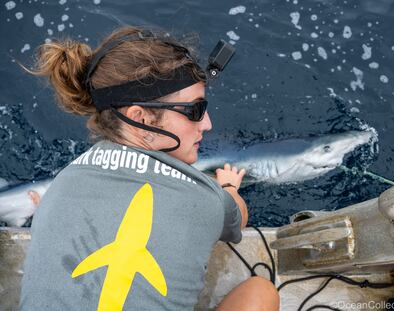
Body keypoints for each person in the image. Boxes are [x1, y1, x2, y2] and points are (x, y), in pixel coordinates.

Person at [20, 26, 279, 311]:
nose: (207, 124)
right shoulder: (205, 198)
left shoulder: (60, 185)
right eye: (194, 110)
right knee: (261, 292)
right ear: (140, 118)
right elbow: (238, 215)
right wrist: (228, 188)